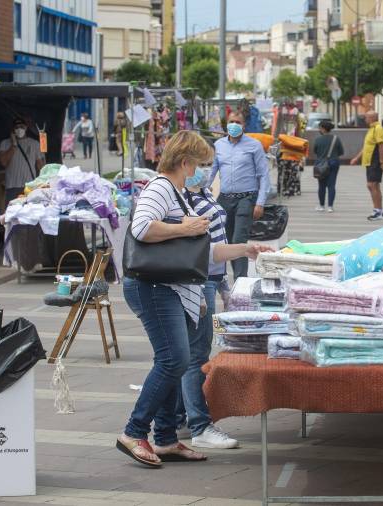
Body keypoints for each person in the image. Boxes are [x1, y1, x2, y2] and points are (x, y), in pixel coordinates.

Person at [117, 130, 272, 468]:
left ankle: (167, 439)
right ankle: (134, 431)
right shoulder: (160, 188)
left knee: (175, 359)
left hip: (170, 286)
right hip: (153, 286)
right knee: (173, 360)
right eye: (200, 163)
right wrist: (182, 228)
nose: (203, 170)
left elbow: (206, 252)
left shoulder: (180, 194)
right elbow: (142, 228)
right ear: (184, 161)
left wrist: (246, 249)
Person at [172, 165, 239, 450]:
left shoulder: (205, 195)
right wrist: (201, 290)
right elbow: (200, 250)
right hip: (200, 281)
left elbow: (217, 241)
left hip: (211, 278)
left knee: (187, 353)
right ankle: (199, 424)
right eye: (197, 162)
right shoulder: (187, 201)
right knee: (196, 354)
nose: (203, 168)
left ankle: (181, 418)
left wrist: (224, 281)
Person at [208, 111, 271, 280]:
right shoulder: (219, 145)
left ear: (244, 125)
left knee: (238, 239)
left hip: (246, 198)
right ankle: (224, 280)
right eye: (231, 121)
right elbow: (213, 170)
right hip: (225, 198)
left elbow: (264, 175)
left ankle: (240, 280)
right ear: (226, 124)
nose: (234, 124)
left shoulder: (254, 145)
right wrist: (204, 192)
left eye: (238, 121)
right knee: (226, 241)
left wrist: (260, 202)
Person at [0, 118, 45, 208]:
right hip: (12, 187)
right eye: (17, 127)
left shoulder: (34, 144)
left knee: (29, 215)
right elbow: (3, 162)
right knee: (12, 216)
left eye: (22, 127)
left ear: (26, 128)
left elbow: (41, 166)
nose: (19, 129)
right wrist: (14, 145)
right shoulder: (5, 143)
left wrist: (43, 183)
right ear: (13, 130)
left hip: (29, 187)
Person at [349, 110, 383, 221]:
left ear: (372, 118)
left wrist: (381, 161)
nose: (365, 119)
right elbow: (366, 147)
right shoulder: (372, 129)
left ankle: (378, 211)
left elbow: (381, 145)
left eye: (366, 117)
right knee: (374, 186)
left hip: (374, 161)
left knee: (372, 185)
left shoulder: (378, 128)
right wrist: (357, 158)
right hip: (369, 161)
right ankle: (378, 210)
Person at [312, 120, 344, 212]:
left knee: (321, 185)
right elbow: (341, 152)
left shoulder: (318, 139)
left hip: (321, 164)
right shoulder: (336, 138)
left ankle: (321, 206)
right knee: (331, 185)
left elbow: (315, 151)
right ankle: (330, 206)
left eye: (319, 127)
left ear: (322, 128)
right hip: (334, 162)